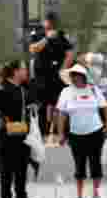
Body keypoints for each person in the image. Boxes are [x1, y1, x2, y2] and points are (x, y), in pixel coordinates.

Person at [0, 60, 36, 198]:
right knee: (6, 167)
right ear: (15, 71)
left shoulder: (24, 87)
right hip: (6, 132)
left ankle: (21, 196)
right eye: (24, 69)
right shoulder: (2, 87)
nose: (26, 71)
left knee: (22, 166)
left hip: (23, 132)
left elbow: (32, 105)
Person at [55, 64, 107, 198]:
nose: (74, 78)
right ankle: (79, 196)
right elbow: (61, 114)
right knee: (79, 165)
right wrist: (60, 134)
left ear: (83, 76)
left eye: (77, 75)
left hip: (95, 132)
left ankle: (96, 196)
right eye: (72, 75)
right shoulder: (66, 92)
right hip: (75, 134)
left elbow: (104, 107)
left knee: (95, 164)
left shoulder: (93, 90)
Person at [29, 12, 74, 141]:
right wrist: (47, 39)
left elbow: (70, 53)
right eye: (48, 21)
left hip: (57, 75)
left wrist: (63, 68)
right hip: (42, 75)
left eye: (53, 22)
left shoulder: (61, 35)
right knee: (42, 105)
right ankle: (44, 133)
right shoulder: (37, 33)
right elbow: (33, 49)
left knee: (60, 104)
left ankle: (61, 133)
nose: (50, 24)